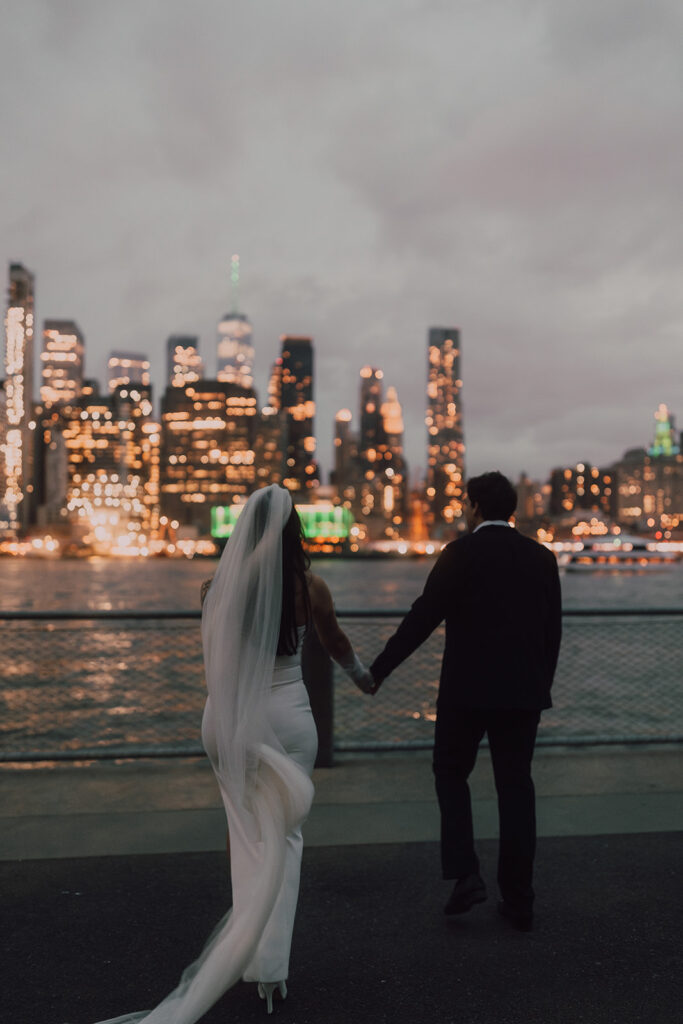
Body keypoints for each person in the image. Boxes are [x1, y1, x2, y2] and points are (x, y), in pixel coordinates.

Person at [83, 485, 372, 1024]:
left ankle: (251, 959)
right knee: (286, 838)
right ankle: (272, 970)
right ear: (293, 532)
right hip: (291, 719)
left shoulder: (215, 587)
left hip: (230, 722)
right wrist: (363, 677)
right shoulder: (311, 587)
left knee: (245, 835)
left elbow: (218, 662)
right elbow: (335, 644)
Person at [369, 471, 561, 931]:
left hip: (465, 692)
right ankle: (519, 901)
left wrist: (377, 671)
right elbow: (551, 631)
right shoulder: (541, 558)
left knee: (451, 774)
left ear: (474, 506)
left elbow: (423, 618)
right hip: (522, 694)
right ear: (511, 509)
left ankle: (466, 874)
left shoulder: (460, 554)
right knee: (516, 789)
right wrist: (540, 685)